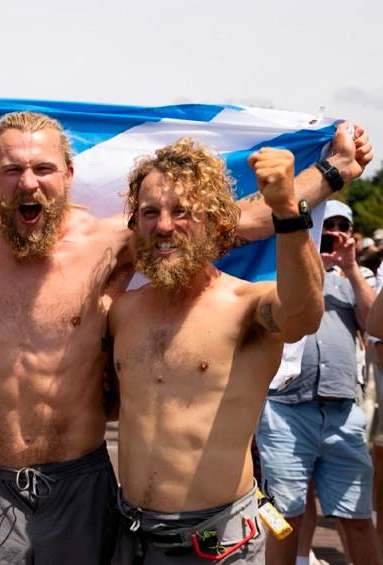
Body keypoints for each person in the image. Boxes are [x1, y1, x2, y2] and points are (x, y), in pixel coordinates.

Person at [0, 108, 371, 563]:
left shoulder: (119, 240)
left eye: (43, 169)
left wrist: (333, 172)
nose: (28, 182)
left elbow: (239, 220)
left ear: (69, 176)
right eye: (12, 169)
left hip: (85, 486)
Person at [107, 139, 324, 563]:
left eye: (182, 212)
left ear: (216, 222)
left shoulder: (245, 307)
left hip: (218, 544)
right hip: (131, 537)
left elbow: (302, 316)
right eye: (150, 212)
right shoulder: (123, 312)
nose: (164, 226)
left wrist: (286, 212)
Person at [257, 200, 381, 565]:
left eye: (342, 226)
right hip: (285, 410)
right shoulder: (281, 274)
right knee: (284, 516)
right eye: (326, 226)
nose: (332, 234)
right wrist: (311, 267)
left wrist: (351, 267)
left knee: (358, 518)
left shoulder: (354, 280)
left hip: (343, 412)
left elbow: (374, 324)